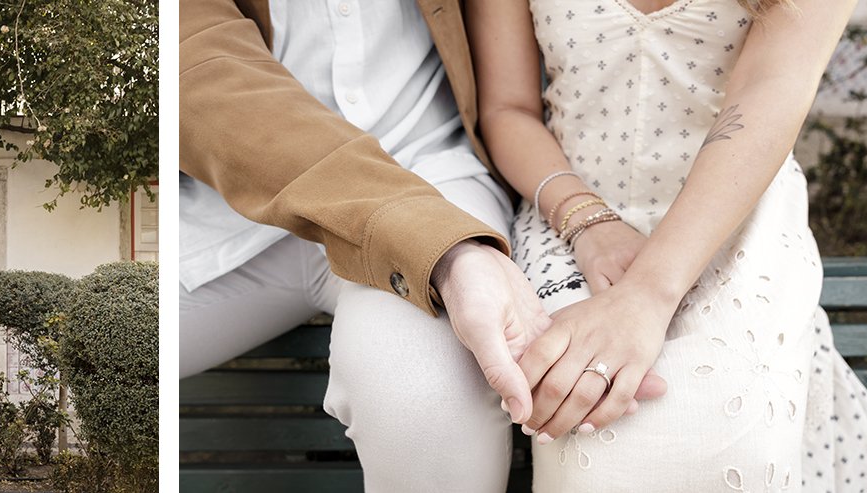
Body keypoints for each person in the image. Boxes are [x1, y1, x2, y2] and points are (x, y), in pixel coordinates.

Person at [180, 0, 665, 489]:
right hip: (229, 204)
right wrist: (444, 249)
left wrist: (450, 248)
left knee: (425, 398)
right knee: (105, 348)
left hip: (432, 168)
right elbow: (200, 69)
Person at [468, 0, 867, 489]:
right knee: (590, 440)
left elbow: (771, 87)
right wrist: (587, 220)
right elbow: (506, 108)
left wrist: (646, 292)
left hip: (733, 209)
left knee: (732, 439)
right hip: (565, 206)